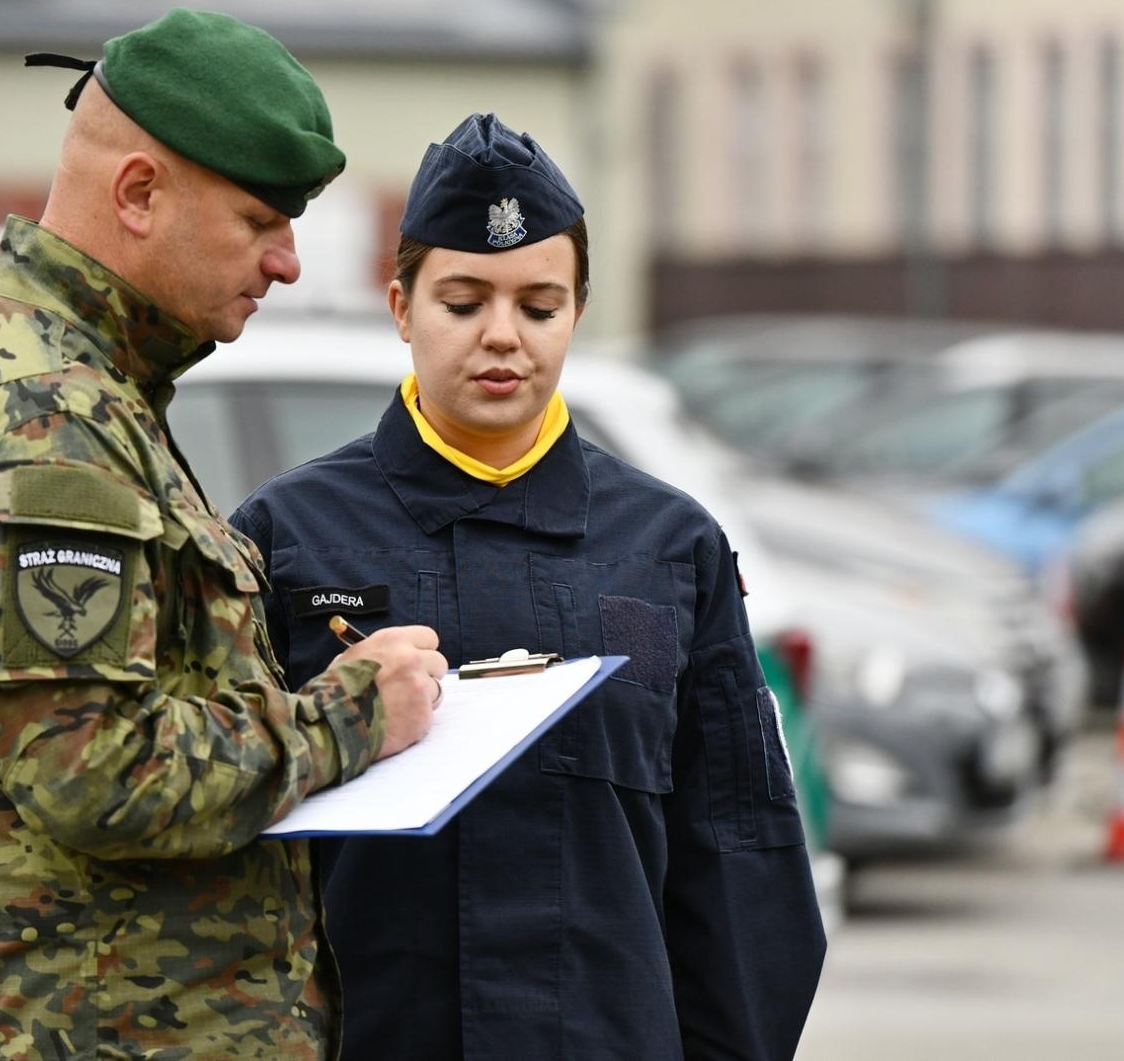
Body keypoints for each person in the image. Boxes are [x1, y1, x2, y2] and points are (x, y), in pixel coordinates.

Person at [0, 9, 446, 1059]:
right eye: (258, 220)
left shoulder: (99, 392)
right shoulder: (40, 417)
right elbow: (96, 768)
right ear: (139, 193)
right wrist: (350, 716)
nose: (286, 262)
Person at [231, 113, 827, 1060]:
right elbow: (221, 838)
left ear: (578, 311)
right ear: (400, 307)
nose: (502, 337)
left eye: (539, 307)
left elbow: (742, 861)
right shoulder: (285, 538)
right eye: (463, 301)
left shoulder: (670, 548)